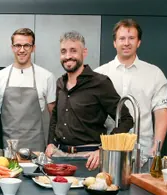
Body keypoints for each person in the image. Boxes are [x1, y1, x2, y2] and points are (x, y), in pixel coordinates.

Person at [46, 31, 134, 170]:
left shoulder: (100, 83)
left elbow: (126, 119)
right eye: (64, 51)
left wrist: (104, 149)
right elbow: (55, 116)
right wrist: (50, 143)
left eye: (73, 51)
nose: (68, 56)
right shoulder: (60, 83)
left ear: (84, 52)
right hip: (59, 156)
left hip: (89, 159)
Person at [95, 19, 167, 157]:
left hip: (144, 153)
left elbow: (161, 113)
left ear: (139, 42)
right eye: (122, 38)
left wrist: (156, 148)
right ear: (114, 43)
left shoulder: (155, 74)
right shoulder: (99, 74)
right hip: (107, 153)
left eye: (131, 38)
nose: (127, 43)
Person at [0, 28, 56, 151]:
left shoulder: (46, 76)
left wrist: (51, 144)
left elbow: (54, 116)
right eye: (18, 45)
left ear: (33, 48)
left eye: (26, 45)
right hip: (6, 148)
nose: (22, 50)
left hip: (37, 148)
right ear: (12, 47)